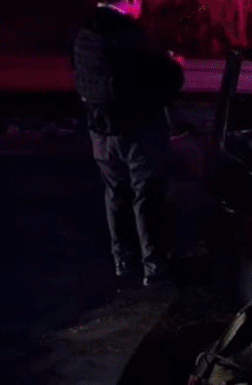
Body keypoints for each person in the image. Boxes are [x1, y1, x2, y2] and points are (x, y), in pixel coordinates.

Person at [72, 0, 183, 286]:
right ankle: (154, 264)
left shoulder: (84, 33)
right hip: (139, 129)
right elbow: (162, 82)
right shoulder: (132, 34)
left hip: (101, 130)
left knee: (115, 194)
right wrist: (175, 65)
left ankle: (123, 260)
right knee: (147, 195)